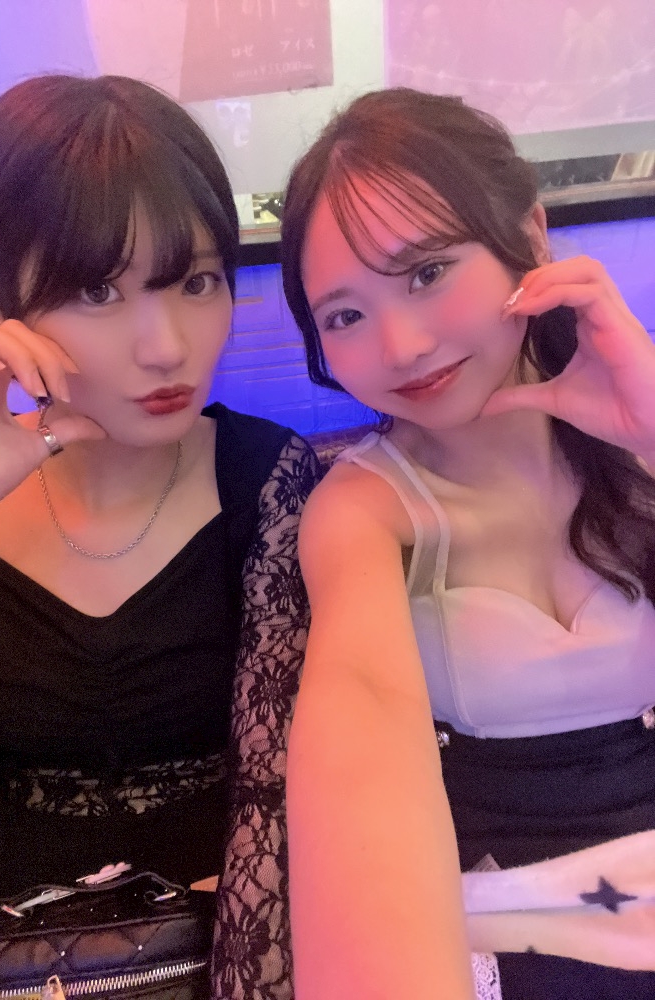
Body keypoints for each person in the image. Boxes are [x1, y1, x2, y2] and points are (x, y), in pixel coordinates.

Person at [0, 74, 320, 1000]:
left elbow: (277, 797)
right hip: (22, 972)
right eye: (98, 289)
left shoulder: (267, 478)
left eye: (196, 281)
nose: (166, 345)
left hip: (229, 950)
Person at [280, 86, 655, 999]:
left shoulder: (635, 433)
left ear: (529, 235)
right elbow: (361, 722)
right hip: (507, 930)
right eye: (345, 316)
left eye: (427, 273)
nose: (403, 345)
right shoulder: (363, 510)